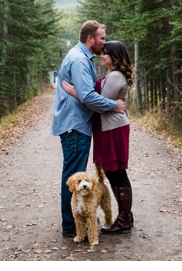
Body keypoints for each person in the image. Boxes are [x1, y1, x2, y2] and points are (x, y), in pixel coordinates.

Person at [51, 20, 125, 239]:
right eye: (102, 38)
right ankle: (70, 225)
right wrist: (114, 105)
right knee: (73, 176)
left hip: (76, 123)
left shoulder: (80, 57)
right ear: (90, 38)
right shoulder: (79, 60)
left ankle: (73, 222)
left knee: (73, 173)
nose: (104, 42)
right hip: (75, 125)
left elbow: (84, 93)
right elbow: (88, 96)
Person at [63, 40, 135, 234]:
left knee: (116, 171)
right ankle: (126, 216)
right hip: (107, 127)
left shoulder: (115, 77)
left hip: (112, 128)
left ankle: (125, 219)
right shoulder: (112, 75)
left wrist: (77, 93)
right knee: (114, 171)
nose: (101, 55)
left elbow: (98, 103)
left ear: (115, 57)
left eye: (105, 53)